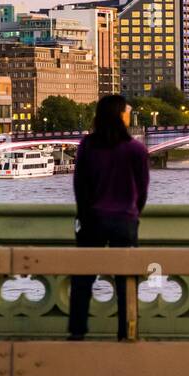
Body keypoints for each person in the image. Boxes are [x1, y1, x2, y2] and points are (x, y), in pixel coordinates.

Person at [68, 94, 150, 340]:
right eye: (126, 111)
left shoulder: (87, 146)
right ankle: (126, 332)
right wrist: (133, 213)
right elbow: (142, 190)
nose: (128, 115)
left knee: (83, 280)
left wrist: (84, 215)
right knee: (126, 281)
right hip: (124, 221)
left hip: (92, 219)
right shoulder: (136, 149)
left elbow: (79, 186)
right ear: (119, 115)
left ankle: (77, 332)